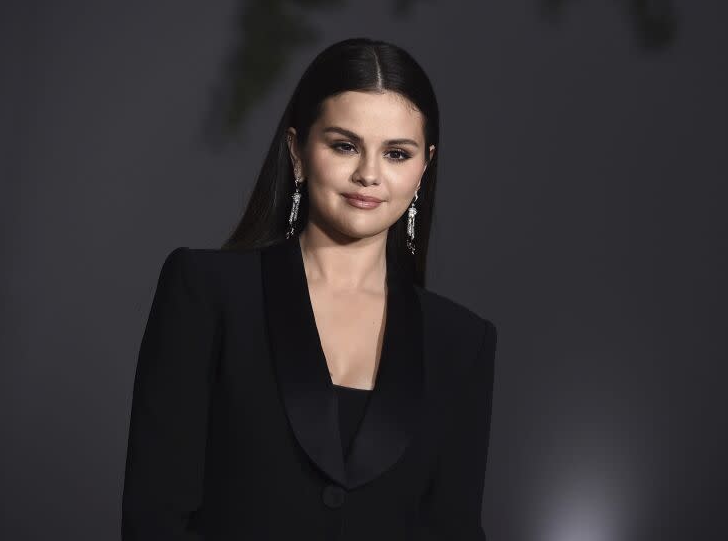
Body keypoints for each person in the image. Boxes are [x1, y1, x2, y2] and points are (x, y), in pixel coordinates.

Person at [121, 37, 498, 540]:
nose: (368, 174)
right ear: (297, 151)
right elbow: (155, 516)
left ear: (424, 167)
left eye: (396, 153)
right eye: (344, 145)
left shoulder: (461, 342)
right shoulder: (207, 293)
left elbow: (452, 529)